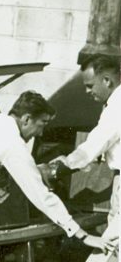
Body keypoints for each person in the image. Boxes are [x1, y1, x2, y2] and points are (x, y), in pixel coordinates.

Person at [0, 91, 102, 249]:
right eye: (42, 124)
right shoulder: (12, 145)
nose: (40, 133)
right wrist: (82, 234)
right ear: (26, 119)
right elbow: (42, 197)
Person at [48, 51, 121, 250]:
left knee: (112, 250)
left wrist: (61, 167)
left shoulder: (117, 105)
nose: (88, 92)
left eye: (90, 86)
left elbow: (95, 143)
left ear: (106, 80)